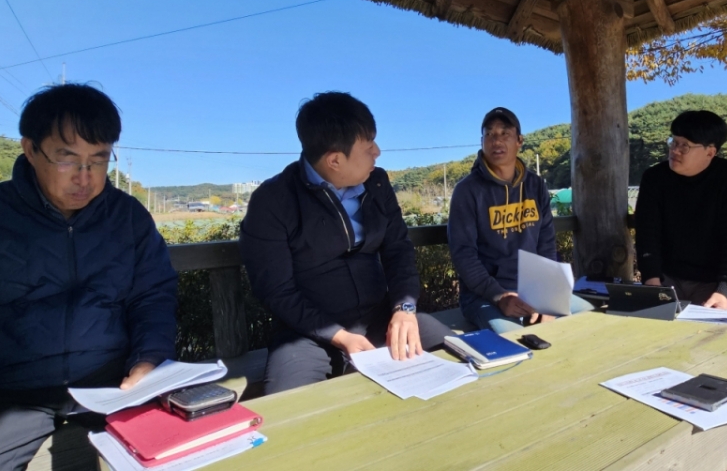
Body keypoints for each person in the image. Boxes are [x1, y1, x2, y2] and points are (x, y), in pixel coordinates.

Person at [0, 84, 179, 470]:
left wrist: (149, 362)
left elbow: (153, 296)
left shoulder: (128, 217)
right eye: (67, 159)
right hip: (1, 400)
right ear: (31, 149)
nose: (84, 178)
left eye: (99, 160)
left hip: (111, 389)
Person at [241, 92, 451, 394]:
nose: (378, 152)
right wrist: (339, 336)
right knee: (288, 406)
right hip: (307, 334)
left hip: (382, 319)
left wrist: (404, 308)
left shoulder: (376, 185)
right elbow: (277, 291)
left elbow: (398, 250)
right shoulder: (273, 201)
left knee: (459, 355)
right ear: (335, 160)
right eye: (368, 147)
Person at [449, 107, 594, 333]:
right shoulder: (467, 191)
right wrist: (500, 296)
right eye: (489, 134)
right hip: (485, 296)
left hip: (534, 292)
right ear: (482, 142)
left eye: (504, 134)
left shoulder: (536, 186)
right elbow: (464, 255)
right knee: (515, 339)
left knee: (588, 318)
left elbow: (546, 244)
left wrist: (548, 298)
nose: (496, 140)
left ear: (519, 141)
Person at [633, 110, 727, 309]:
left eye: (685, 146)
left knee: (715, 337)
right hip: (666, 279)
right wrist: (651, 279)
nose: (675, 150)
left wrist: (725, 290)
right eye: (674, 141)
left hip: (713, 282)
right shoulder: (654, 178)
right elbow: (648, 231)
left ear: (710, 152)